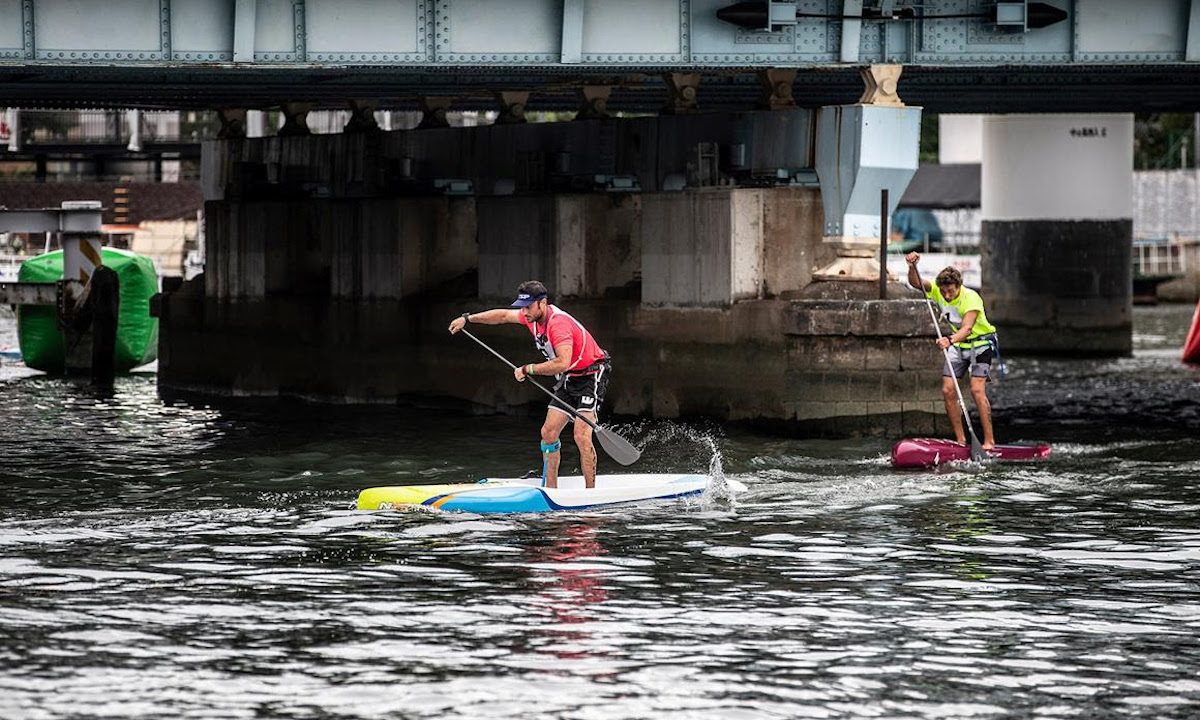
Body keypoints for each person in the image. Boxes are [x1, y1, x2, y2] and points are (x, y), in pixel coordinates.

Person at [448, 280, 611, 489]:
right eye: (522, 307)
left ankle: (591, 493)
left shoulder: (557, 324)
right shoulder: (531, 318)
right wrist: (467, 319)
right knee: (548, 433)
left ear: (542, 304)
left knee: (580, 435)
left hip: (592, 374)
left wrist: (528, 369)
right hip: (569, 377)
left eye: (528, 306)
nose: (523, 312)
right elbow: (503, 316)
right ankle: (550, 491)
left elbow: (563, 362)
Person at [905, 252, 998, 450]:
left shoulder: (970, 298)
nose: (946, 296)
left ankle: (989, 441)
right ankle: (961, 440)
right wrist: (912, 267)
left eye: (951, 292)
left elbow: (967, 328)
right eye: (944, 292)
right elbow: (916, 283)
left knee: (976, 390)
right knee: (947, 390)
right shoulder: (938, 291)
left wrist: (949, 339)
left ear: (959, 287)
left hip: (980, 344)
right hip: (958, 346)